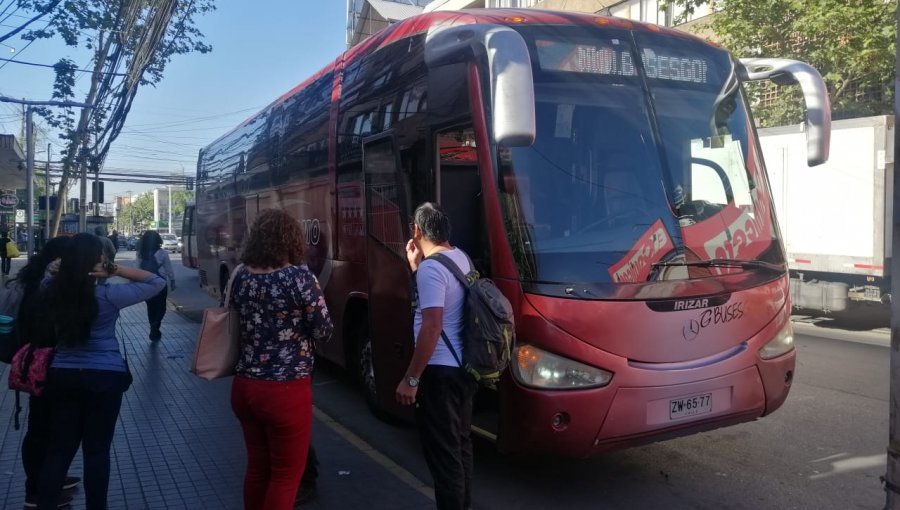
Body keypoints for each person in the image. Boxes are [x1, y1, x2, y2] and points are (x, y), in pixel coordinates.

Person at [33, 233, 166, 509]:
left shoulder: (52, 291)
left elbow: (46, 276)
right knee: (97, 451)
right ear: (98, 262)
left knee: (59, 449)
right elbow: (157, 282)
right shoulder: (110, 296)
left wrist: (56, 267)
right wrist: (114, 269)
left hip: (62, 375)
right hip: (105, 376)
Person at [229, 208, 333, 510]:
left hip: (244, 386)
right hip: (284, 390)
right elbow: (323, 330)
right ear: (291, 239)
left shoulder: (241, 275)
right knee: (286, 478)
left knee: (258, 469)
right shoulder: (299, 277)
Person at [396, 202, 477, 510]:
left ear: (417, 231)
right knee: (459, 447)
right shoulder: (461, 258)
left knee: (444, 458)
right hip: (462, 368)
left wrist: (411, 378)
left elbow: (432, 327)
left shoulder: (432, 269)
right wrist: (416, 267)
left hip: (439, 374)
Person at [10, 237, 80, 508]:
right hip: (48, 361)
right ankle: (37, 490)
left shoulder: (30, 278)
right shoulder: (50, 285)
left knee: (41, 426)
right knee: (47, 429)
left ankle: (48, 480)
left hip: (32, 360)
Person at [137, 230, 175, 341]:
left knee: (151, 306)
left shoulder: (140, 253)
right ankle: (156, 324)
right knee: (161, 306)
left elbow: (137, 268)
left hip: (146, 283)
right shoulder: (162, 253)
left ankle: (152, 325)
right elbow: (168, 268)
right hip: (160, 283)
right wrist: (172, 281)